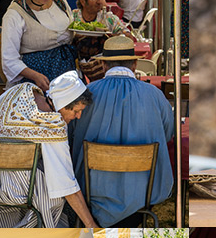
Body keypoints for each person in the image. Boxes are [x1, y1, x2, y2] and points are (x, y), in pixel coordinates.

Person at [0, 71, 99, 228]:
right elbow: (66, 184)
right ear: (62, 104)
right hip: (13, 192)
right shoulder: (52, 124)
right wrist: (91, 224)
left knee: (39, 169)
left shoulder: (20, 89)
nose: (78, 116)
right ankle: (37, 234)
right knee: (52, 188)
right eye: (76, 111)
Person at [69, 35, 174, 227]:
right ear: (134, 64)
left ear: (103, 65)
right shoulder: (155, 95)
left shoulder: (86, 93)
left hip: (93, 191)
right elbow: (167, 135)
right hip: (142, 192)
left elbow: (71, 134)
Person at [0, 0, 75, 90]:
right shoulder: (15, 14)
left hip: (65, 72)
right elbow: (9, 60)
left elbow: (72, 29)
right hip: (35, 80)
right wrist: (35, 76)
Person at [72, 0, 127, 80]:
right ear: (83, 1)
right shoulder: (73, 17)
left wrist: (114, 37)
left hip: (103, 72)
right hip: (76, 70)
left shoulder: (108, 18)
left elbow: (128, 36)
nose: (99, 1)